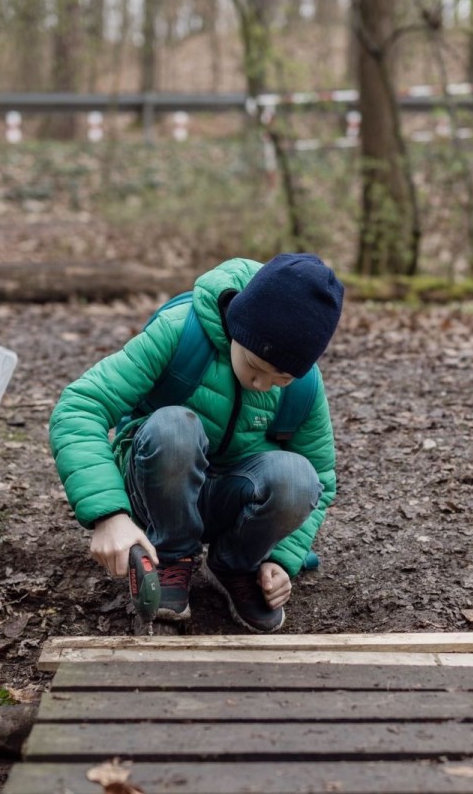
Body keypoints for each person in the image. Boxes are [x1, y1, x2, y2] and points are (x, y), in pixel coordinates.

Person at [49, 253, 344, 633]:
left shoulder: (305, 385)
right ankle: (170, 557)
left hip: (231, 495)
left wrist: (284, 559)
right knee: (175, 427)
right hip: (156, 483)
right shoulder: (179, 332)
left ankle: (235, 564)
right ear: (238, 326)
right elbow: (80, 406)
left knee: (298, 476)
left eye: (281, 379)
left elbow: (321, 476)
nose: (262, 384)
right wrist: (109, 516)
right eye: (255, 366)